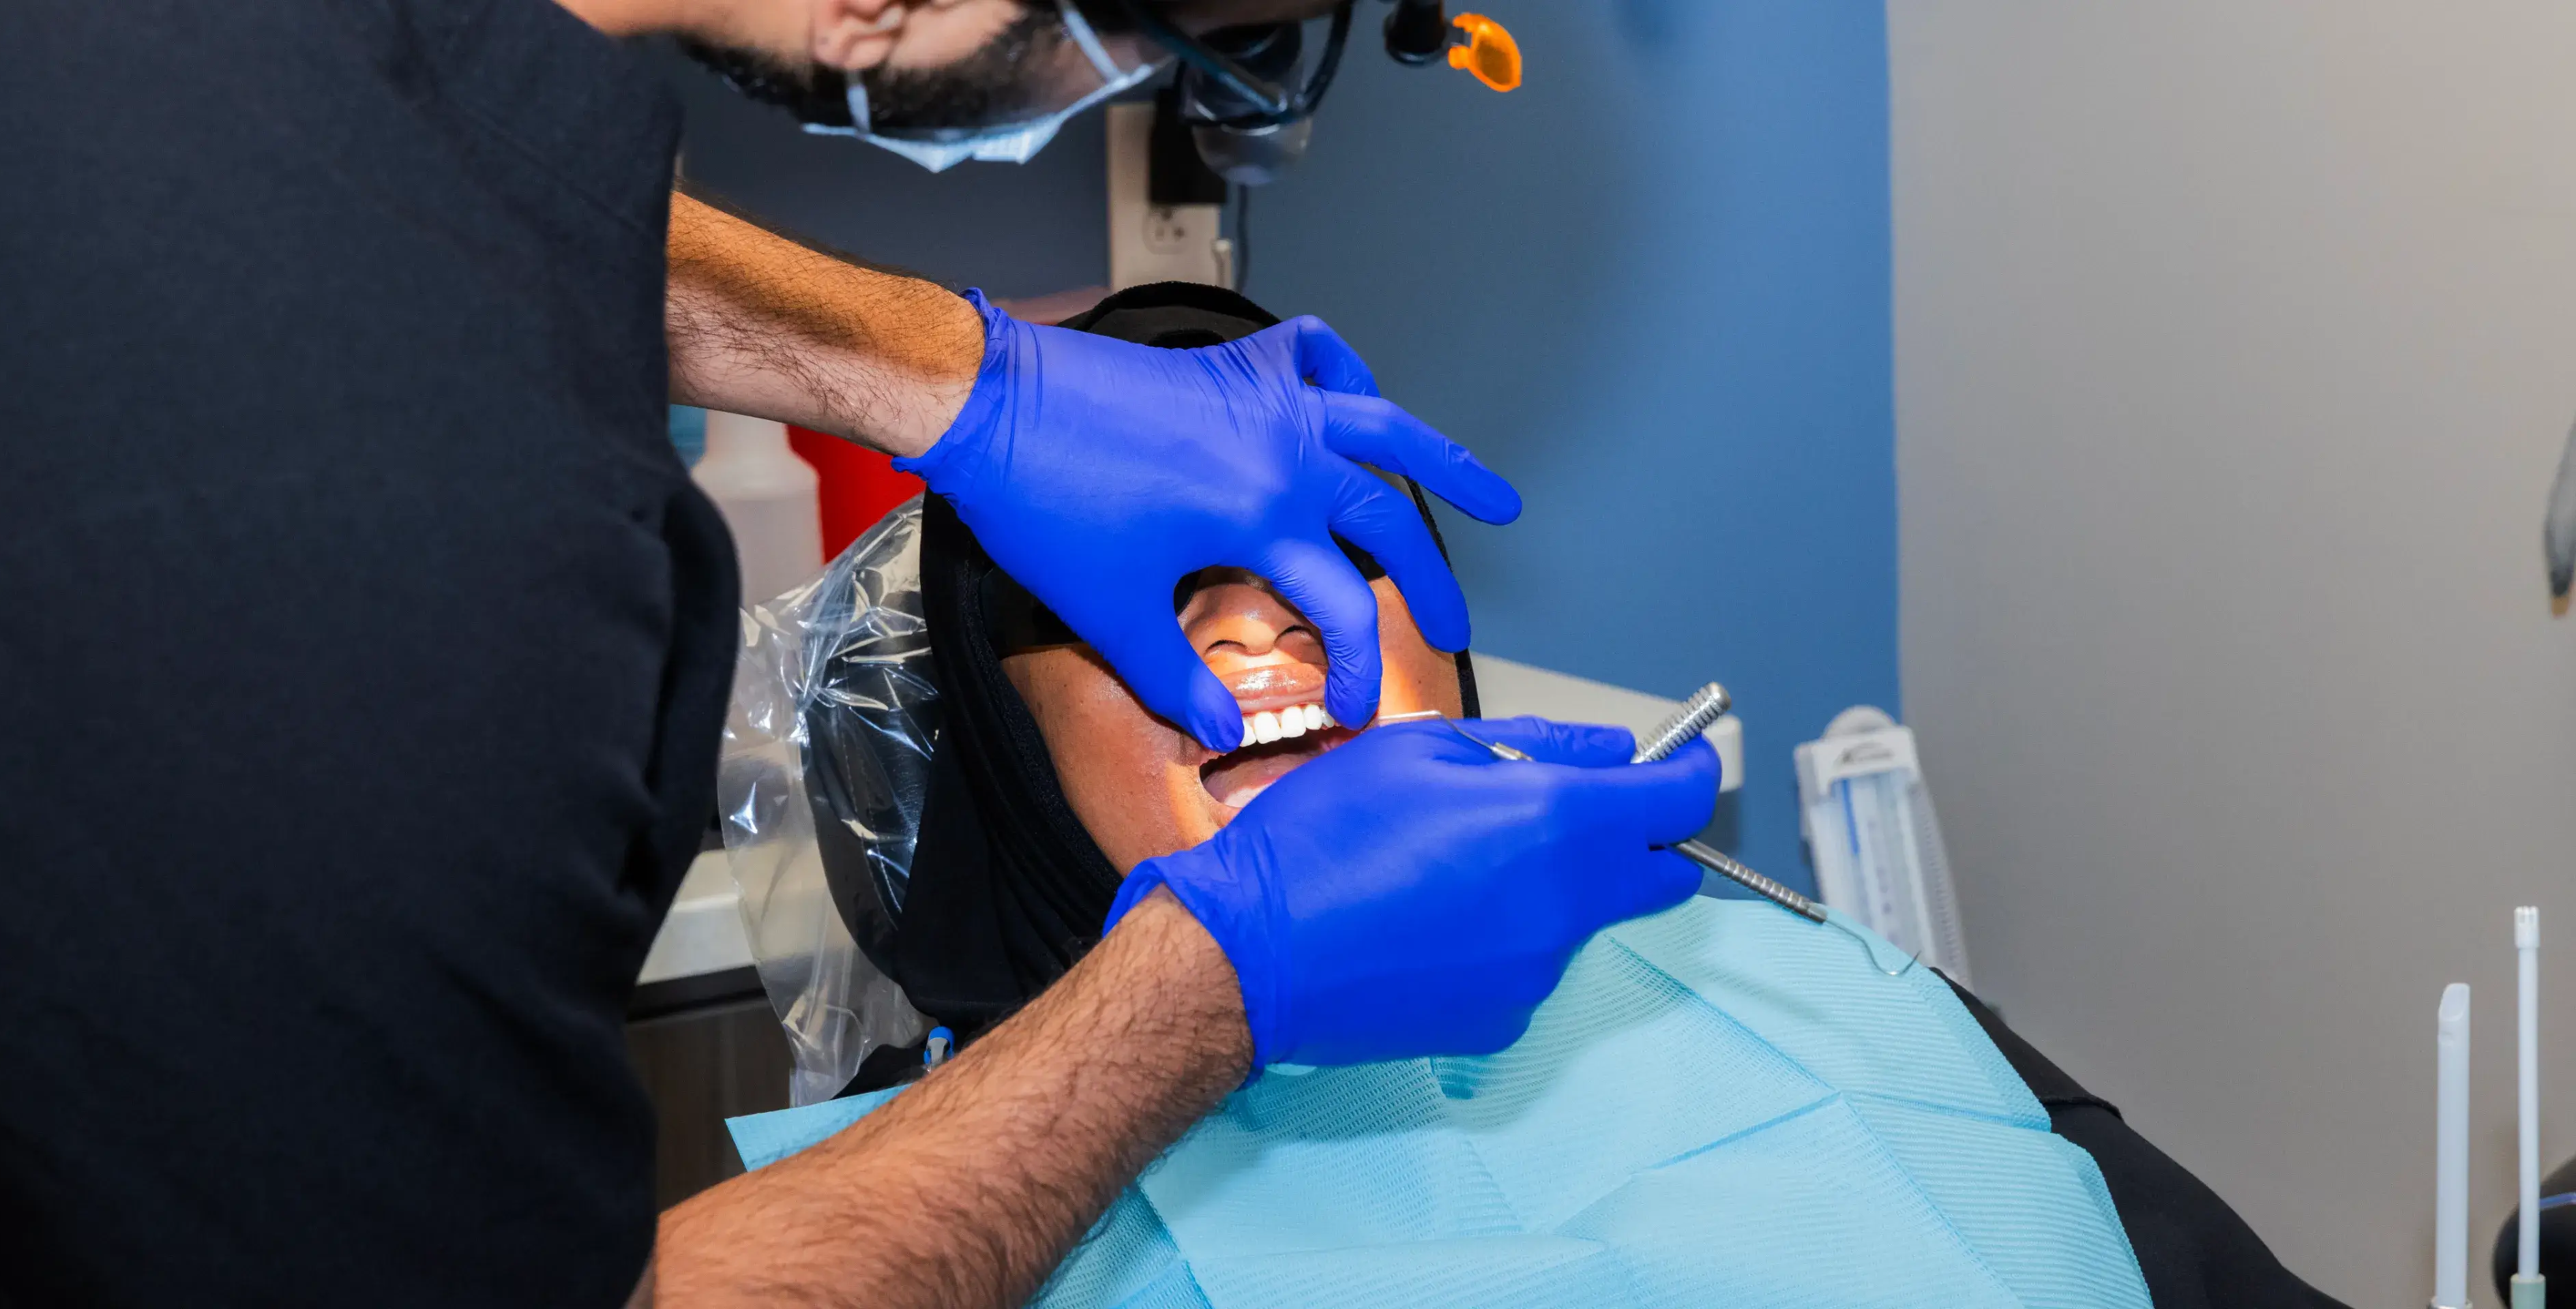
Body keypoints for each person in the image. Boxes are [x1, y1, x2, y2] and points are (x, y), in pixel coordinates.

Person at [0, 3, 1706, 1308]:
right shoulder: (372, 532)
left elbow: (376, 179)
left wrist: (947, 374)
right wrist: (1209, 989)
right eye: (1203, 42)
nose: (1257, 624)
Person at [682, 286, 2357, 1309]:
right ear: (998, 741)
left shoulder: (1790, 986)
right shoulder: (930, 1216)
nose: (1258, 622)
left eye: (1334, 551)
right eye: (1147, 594)